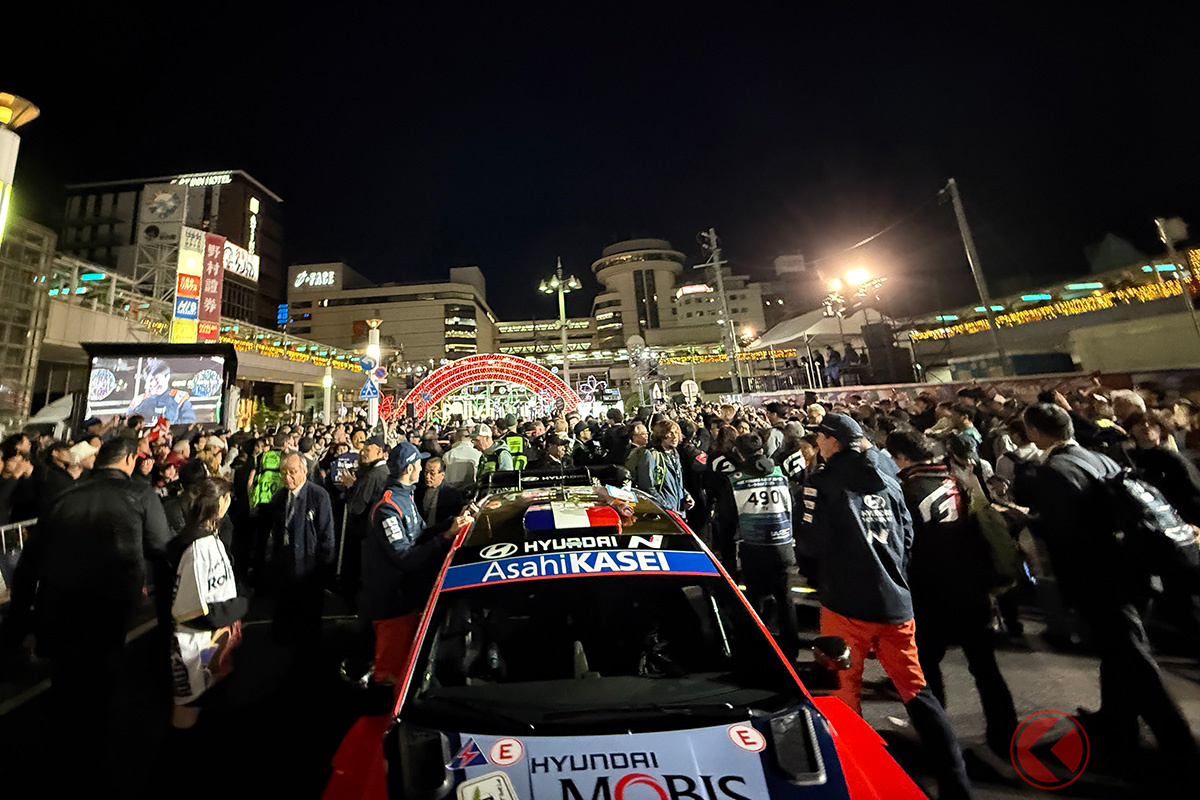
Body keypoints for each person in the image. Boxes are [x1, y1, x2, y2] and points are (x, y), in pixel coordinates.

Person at [1015, 403, 1200, 776]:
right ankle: (1116, 726)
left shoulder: (1054, 470)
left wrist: (1028, 519)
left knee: (1133, 658)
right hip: (1134, 569)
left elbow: (1067, 532)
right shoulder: (1100, 458)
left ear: (1035, 434)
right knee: (1118, 653)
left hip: (1099, 578)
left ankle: (1180, 746)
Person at [803, 413, 972, 800]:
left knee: (844, 697)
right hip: (896, 601)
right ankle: (956, 785)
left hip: (845, 605)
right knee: (917, 692)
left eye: (821, 438)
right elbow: (907, 535)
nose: (818, 445)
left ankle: (861, 783)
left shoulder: (823, 483)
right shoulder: (891, 479)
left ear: (834, 441)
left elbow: (813, 544)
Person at [26, 437, 172, 771]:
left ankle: (60, 758)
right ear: (130, 461)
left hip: (59, 605)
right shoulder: (139, 494)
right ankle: (88, 764)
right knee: (98, 691)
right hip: (108, 607)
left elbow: (30, 562)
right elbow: (161, 549)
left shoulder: (65, 495)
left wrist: (20, 618)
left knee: (64, 686)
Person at [887, 428, 1018, 758]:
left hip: (930, 590)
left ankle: (935, 734)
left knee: (926, 666)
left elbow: (903, 544)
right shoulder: (958, 478)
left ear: (901, 458)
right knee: (984, 664)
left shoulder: (905, 489)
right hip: (970, 587)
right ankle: (1005, 732)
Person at [361, 442, 471, 685]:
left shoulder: (405, 495)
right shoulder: (388, 506)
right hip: (393, 604)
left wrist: (453, 523)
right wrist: (447, 535)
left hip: (408, 598)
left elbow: (420, 534)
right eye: (419, 464)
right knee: (392, 676)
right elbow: (405, 557)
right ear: (409, 468)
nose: (422, 469)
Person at [168, 477, 248, 729]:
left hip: (209, 640)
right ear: (221, 502)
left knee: (208, 699)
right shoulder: (198, 547)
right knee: (189, 706)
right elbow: (194, 610)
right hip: (195, 642)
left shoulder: (206, 538)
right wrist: (240, 605)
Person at [716, 433, 800, 660]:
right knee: (785, 599)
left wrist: (729, 564)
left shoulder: (735, 480)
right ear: (762, 450)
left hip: (753, 549)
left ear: (739, 453)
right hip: (783, 545)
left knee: (755, 601)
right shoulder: (780, 474)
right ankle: (791, 652)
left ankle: (760, 650)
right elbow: (792, 507)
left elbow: (726, 523)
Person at [270, 454, 336, 650]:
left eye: (293, 472)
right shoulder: (281, 497)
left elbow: (327, 536)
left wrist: (322, 570)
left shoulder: (318, 495)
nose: (288, 478)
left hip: (309, 568)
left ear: (304, 471)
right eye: (284, 473)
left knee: (309, 618)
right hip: (286, 564)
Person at [341, 434, 391, 604]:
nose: (363, 454)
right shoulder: (382, 471)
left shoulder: (374, 475)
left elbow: (356, 506)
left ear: (379, 451)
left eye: (367, 450)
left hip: (363, 532)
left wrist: (351, 487)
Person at [632, 420, 692, 513]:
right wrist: (666, 508)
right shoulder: (650, 455)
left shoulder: (674, 454)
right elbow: (647, 487)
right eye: (670, 433)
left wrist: (685, 495)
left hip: (678, 512)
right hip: (664, 514)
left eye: (676, 433)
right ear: (661, 435)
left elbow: (676, 482)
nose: (675, 437)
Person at [127, 358, 196, 424]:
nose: (153, 384)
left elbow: (188, 422)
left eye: (157, 379)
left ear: (167, 377)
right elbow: (129, 422)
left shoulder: (180, 398)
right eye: (150, 380)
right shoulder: (138, 401)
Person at [416, 456, 464, 527]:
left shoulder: (452, 494)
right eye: (426, 472)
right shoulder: (419, 490)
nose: (427, 476)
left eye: (432, 473)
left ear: (442, 475)